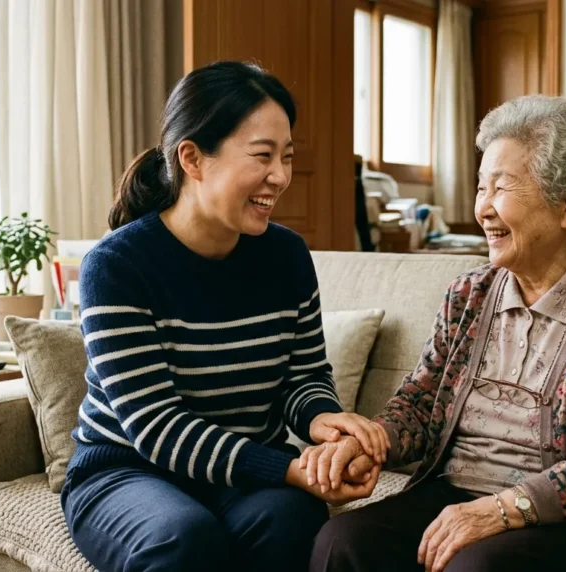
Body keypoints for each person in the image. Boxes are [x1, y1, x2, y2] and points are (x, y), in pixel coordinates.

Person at [308, 95, 566, 572]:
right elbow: (422, 404)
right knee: (339, 540)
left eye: (501, 188)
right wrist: (371, 442)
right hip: (458, 492)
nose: (482, 209)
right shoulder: (468, 294)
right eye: (480, 187)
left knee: (475, 568)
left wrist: (504, 510)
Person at [60, 61, 388, 572]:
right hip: (126, 472)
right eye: (262, 156)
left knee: (297, 518)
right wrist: (291, 467)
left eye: (286, 157)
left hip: (236, 473)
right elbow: (157, 428)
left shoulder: (286, 256)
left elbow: (302, 376)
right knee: (182, 538)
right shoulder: (116, 267)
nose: (280, 177)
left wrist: (322, 419)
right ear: (192, 158)